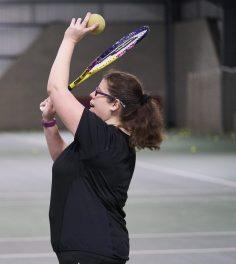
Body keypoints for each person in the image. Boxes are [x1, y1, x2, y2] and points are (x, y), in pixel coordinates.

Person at [40, 12, 164, 264]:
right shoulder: (104, 140)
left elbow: (56, 87)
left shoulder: (104, 139)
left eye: (98, 92)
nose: (91, 97)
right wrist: (49, 121)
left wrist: (69, 40)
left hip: (94, 252)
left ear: (115, 105)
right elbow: (63, 159)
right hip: (87, 252)